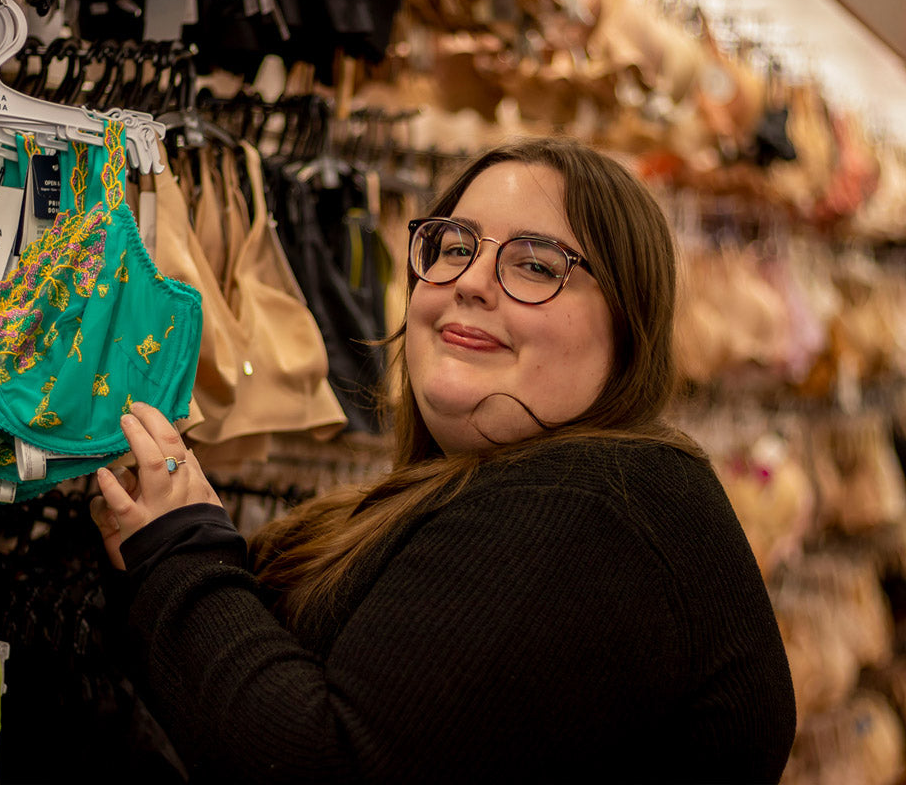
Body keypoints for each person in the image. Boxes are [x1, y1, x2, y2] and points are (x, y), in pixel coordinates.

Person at [92, 136, 797, 783]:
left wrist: (181, 552)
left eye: (535, 264)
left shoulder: (592, 508)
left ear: (627, 323)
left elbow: (326, 768)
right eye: (454, 247)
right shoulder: (538, 493)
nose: (471, 280)